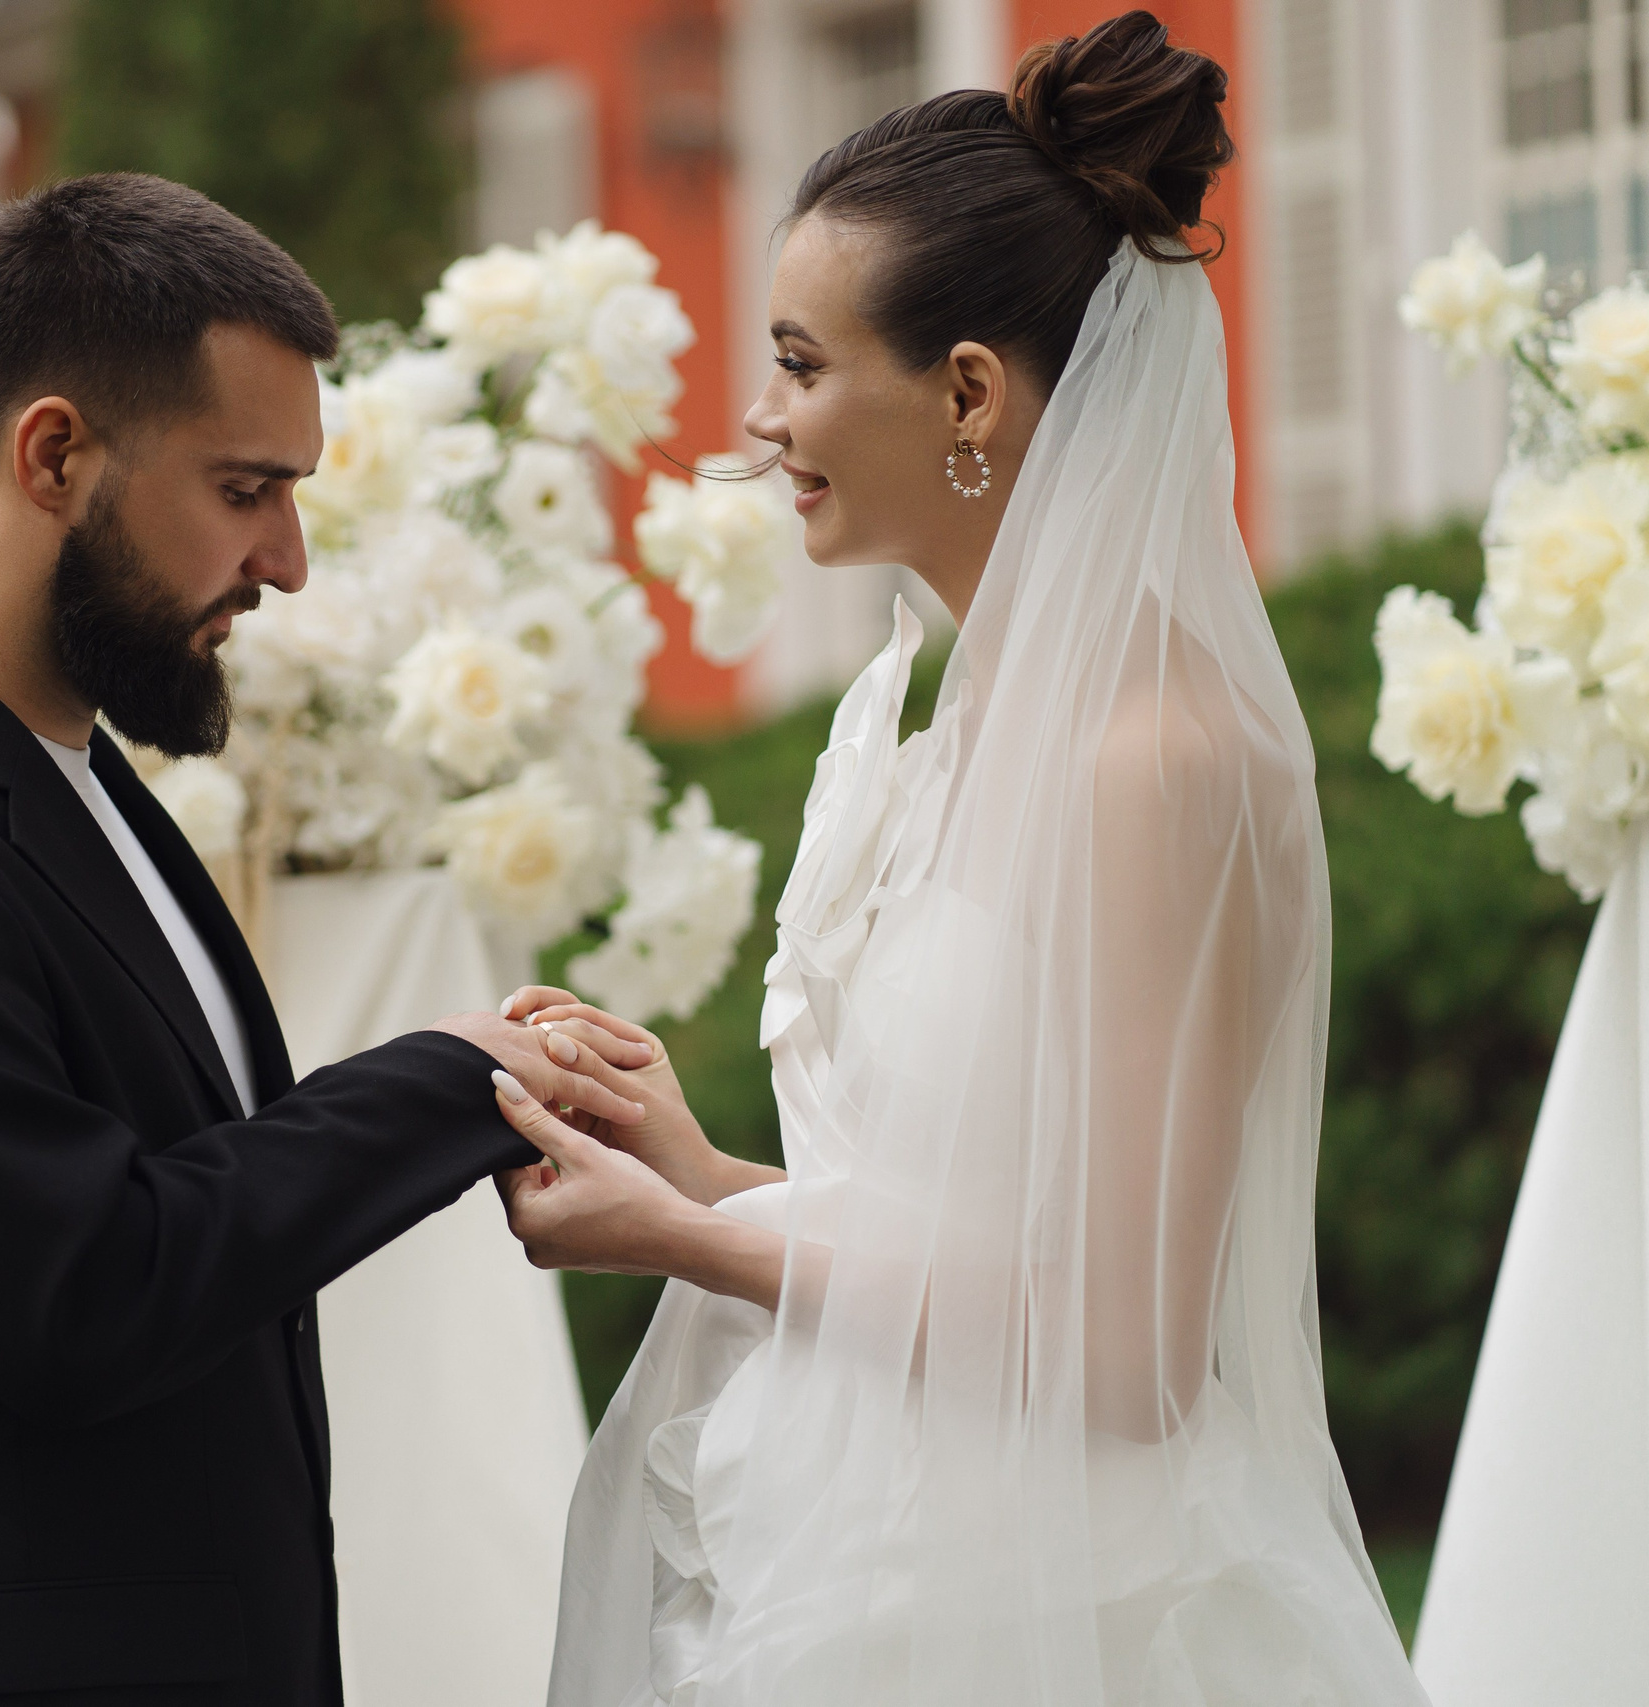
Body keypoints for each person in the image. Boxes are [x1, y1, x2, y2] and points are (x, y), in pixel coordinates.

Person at [482, 15, 1432, 1704]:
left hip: (1062, 1607)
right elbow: (969, 1241)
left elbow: (1122, 1347)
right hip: (862, 1541)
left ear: (970, 393)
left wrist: (685, 1241)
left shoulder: (1156, 759)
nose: (758, 419)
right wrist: (692, 1167)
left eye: (798, 360)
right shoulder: (956, 719)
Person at [0, 173, 646, 1707]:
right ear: (54, 453)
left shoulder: (84, 782)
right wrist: (451, 1082)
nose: (293, 560)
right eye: (247, 490)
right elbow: (88, 1292)